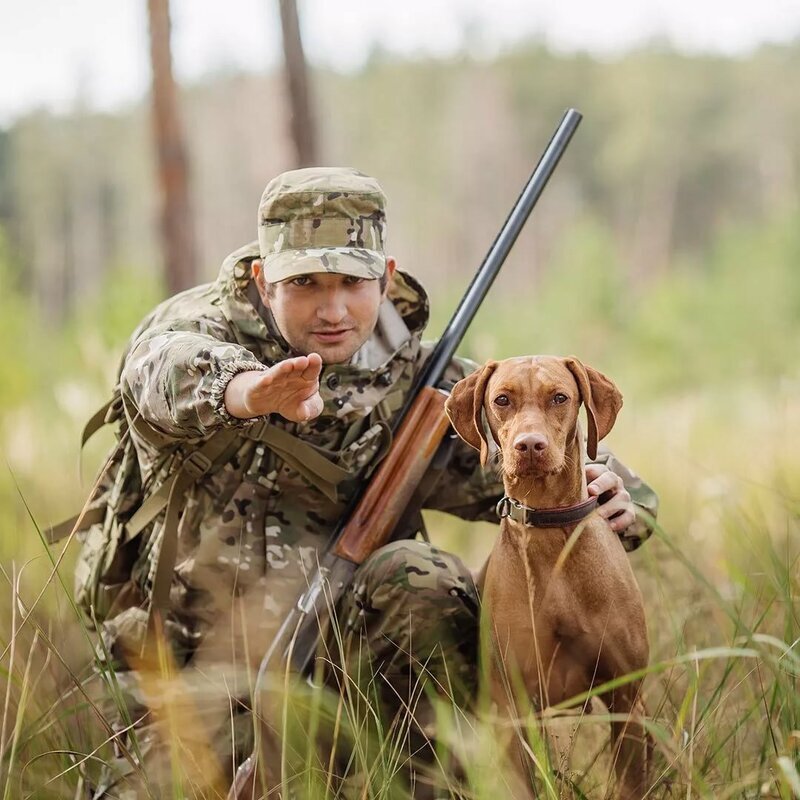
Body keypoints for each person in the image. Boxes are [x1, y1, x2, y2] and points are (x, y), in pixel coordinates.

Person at [84, 167, 657, 798]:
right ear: (262, 279)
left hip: (346, 658)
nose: (333, 310)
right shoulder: (196, 331)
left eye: (352, 283)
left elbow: (558, 454)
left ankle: (428, 785)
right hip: (192, 674)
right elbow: (162, 371)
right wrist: (250, 391)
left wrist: (625, 503)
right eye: (304, 283)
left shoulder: (414, 376)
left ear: (383, 278)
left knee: (424, 579)